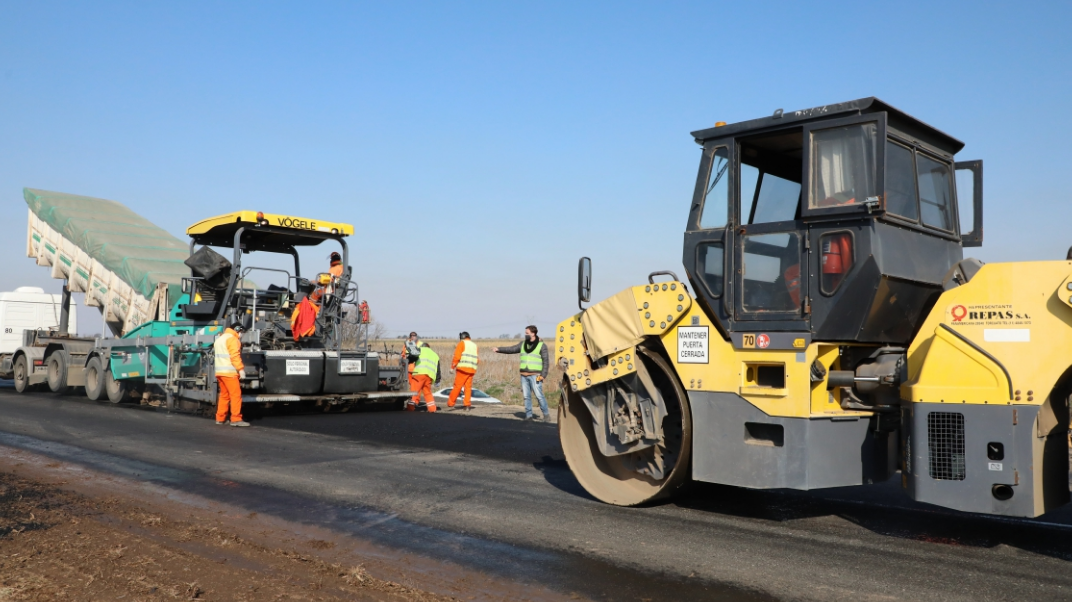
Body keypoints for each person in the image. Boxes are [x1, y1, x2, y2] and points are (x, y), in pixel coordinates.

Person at [493, 325, 550, 421]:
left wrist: (543, 375)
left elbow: (546, 361)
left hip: (536, 375)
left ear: (533, 333)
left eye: (527, 333)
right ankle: (529, 416)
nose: (525, 335)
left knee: (539, 396)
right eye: (525, 333)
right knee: (526, 396)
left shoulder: (541, 345)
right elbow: (511, 349)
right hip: (524, 375)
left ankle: (546, 415)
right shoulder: (523, 344)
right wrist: (499, 349)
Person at [214, 321, 250, 427]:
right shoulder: (233, 339)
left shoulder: (220, 339)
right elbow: (234, 356)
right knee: (236, 395)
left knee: (224, 396)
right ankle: (236, 419)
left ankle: (220, 418)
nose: (241, 334)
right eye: (241, 332)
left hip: (220, 372)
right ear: (237, 330)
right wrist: (241, 369)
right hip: (230, 373)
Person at [447, 331, 478, 410]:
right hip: (472, 370)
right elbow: (477, 359)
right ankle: (467, 405)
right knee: (468, 388)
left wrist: (452, 367)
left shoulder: (461, 343)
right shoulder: (474, 345)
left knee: (457, 386)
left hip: (462, 369)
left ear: (462, 337)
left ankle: (451, 403)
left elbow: (457, 357)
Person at [407, 342, 440, 412]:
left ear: (422, 346)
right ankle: (432, 409)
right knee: (427, 392)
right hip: (429, 376)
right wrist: (438, 380)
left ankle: (410, 408)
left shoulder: (419, 350)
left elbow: (411, 359)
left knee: (414, 391)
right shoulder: (435, 355)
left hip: (419, 374)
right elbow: (438, 369)